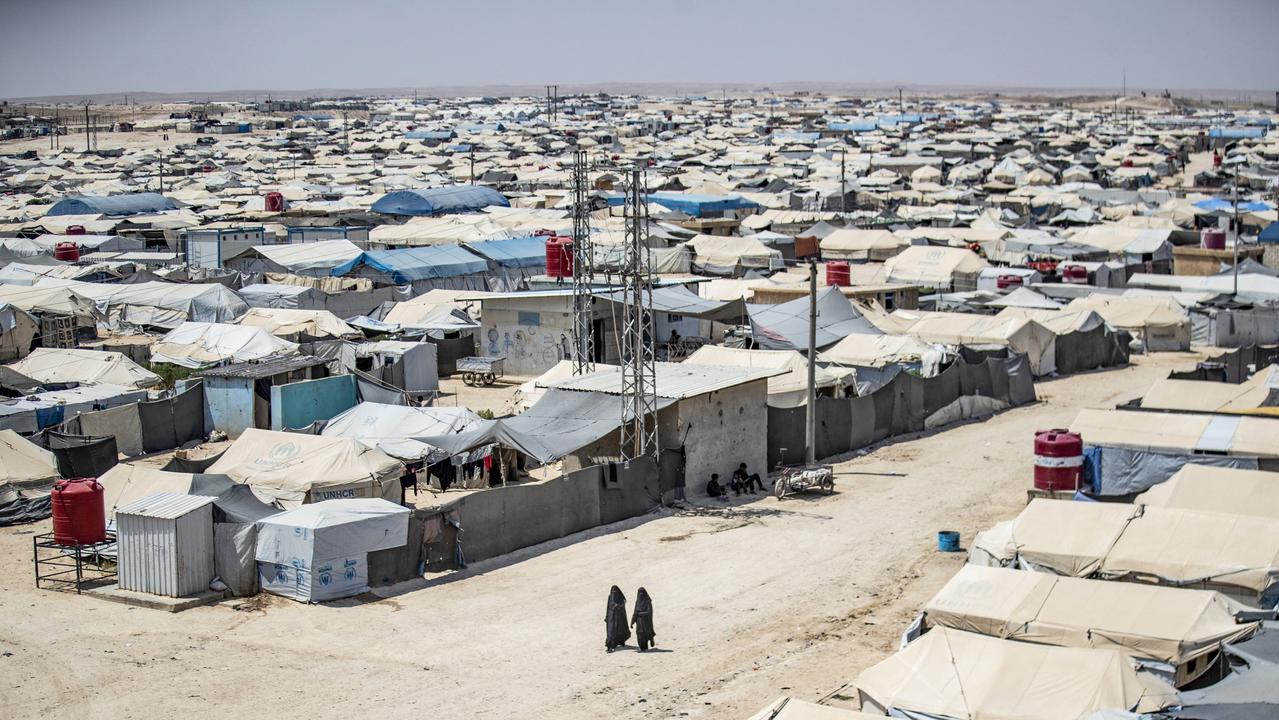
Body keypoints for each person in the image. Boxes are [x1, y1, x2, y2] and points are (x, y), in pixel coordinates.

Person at [605, 585, 630, 651]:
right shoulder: (610, 597)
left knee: (619, 631)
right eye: (613, 591)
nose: (614, 592)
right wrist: (607, 616)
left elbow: (622, 606)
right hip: (611, 617)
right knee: (611, 631)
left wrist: (618, 606)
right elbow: (608, 607)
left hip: (619, 618)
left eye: (615, 591)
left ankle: (620, 642)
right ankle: (609, 646)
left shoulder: (620, 598)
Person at [631, 587, 656, 652]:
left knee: (646, 633)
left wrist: (640, 614)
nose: (641, 594)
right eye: (639, 592)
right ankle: (642, 647)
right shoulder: (637, 601)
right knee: (639, 634)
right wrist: (632, 621)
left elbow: (649, 612)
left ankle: (647, 645)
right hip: (639, 622)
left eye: (642, 592)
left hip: (646, 621)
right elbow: (635, 612)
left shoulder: (648, 601)